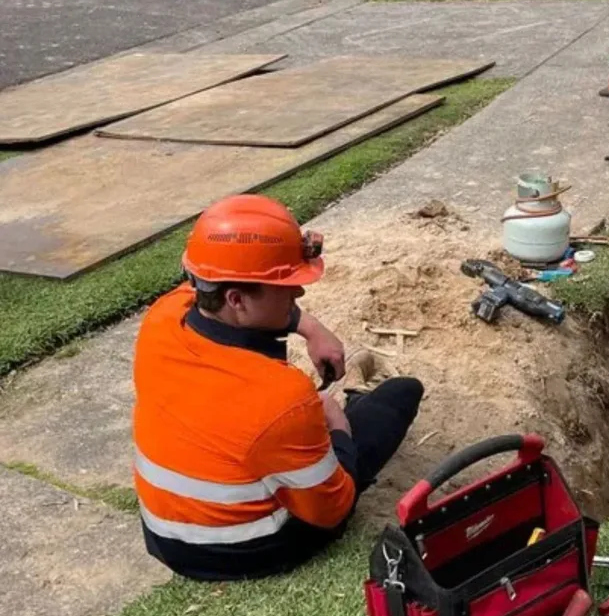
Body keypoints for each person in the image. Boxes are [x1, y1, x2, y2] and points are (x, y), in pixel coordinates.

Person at [132, 194, 423, 581]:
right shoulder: (280, 397)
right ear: (236, 299)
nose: (298, 293)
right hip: (241, 548)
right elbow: (332, 508)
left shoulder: (163, 317)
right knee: (402, 394)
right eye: (284, 286)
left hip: (163, 531)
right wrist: (335, 423)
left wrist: (310, 328)